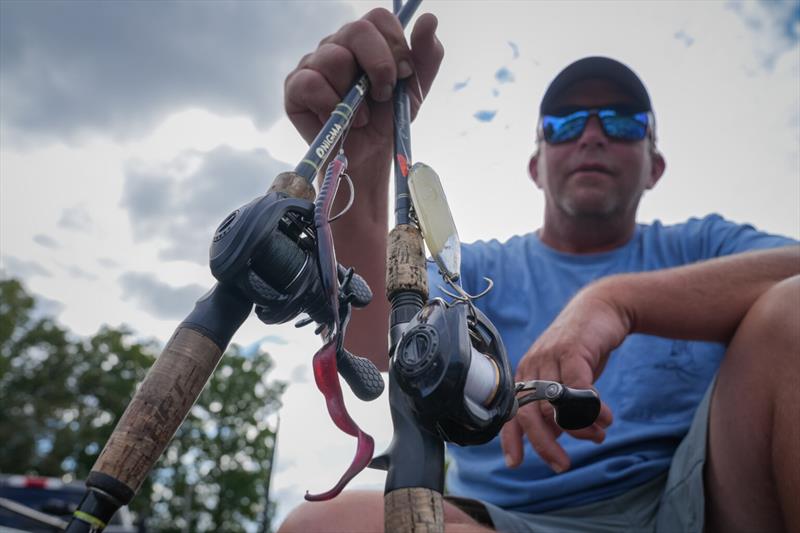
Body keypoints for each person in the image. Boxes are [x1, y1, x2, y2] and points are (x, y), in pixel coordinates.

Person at [279, 8, 799, 533]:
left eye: (621, 122)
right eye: (565, 124)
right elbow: (374, 340)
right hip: (506, 522)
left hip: (700, 503)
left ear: (654, 166)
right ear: (537, 166)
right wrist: (367, 162)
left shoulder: (707, 246)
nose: (592, 135)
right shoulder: (476, 270)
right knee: (321, 524)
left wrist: (615, 300)